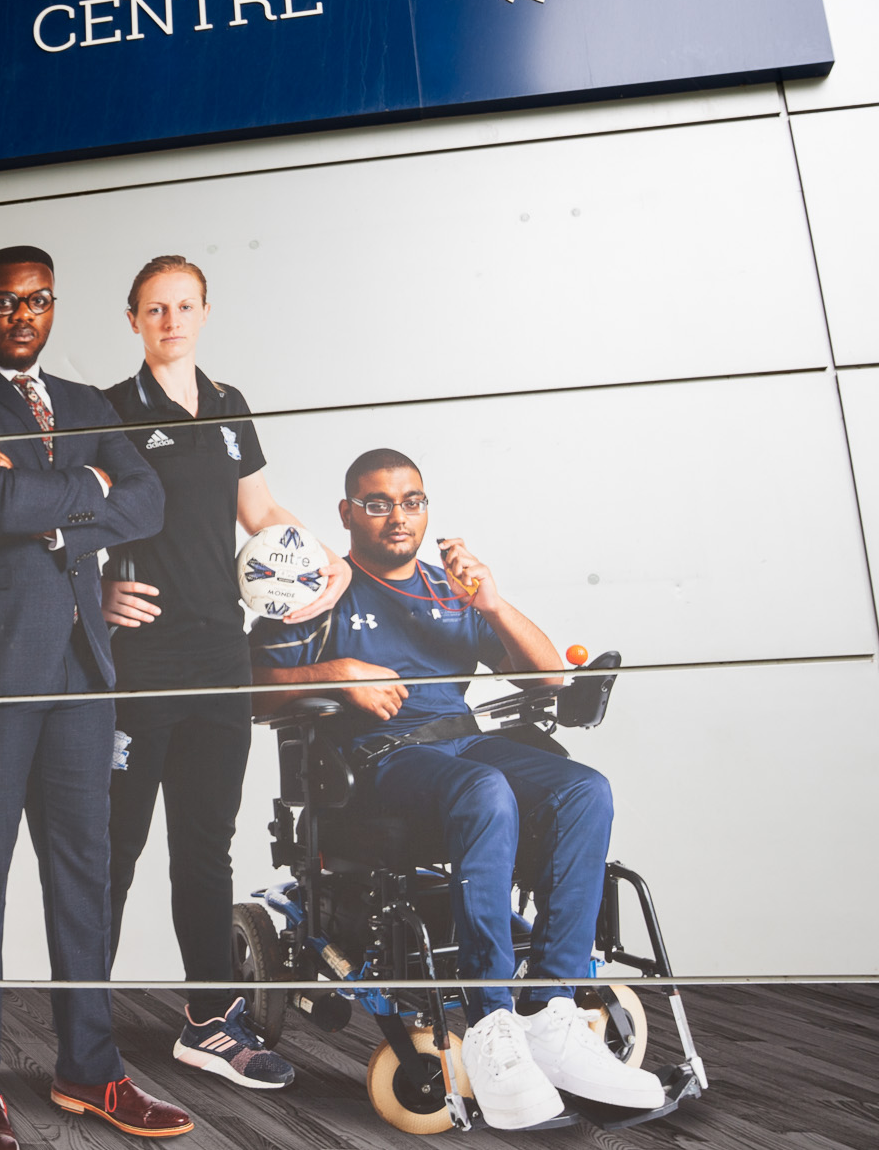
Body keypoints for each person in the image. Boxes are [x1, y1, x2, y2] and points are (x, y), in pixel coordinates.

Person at [251, 449, 665, 1129]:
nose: (396, 515)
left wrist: (494, 604)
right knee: (487, 791)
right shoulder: (321, 586)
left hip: (463, 740)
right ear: (347, 513)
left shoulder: (451, 589)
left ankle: (551, 1011)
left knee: (584, 788)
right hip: (378, 759)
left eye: (411, 500)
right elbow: (250, 689)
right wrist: (336, 672)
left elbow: (549, 680)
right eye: (378, 502)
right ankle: (491, 1021)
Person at [0, 246, 192, 1150]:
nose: (24, 315)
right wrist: (88, 489)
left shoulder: (86, 404)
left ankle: (91, 1066)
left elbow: (149, 500)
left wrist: (57, 493)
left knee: (86, 873)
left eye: (38, 301)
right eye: (5, 303)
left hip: (82, 668)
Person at [98, 256, 348, 1092]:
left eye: (184, 306)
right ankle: (81, 1017)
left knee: (204, 847)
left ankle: (208, 1021)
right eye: (154, 308)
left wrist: (320, 561)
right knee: (113, 846)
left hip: (219, 655)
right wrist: (92, 591)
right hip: (141, 660)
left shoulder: (231, 405)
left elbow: (260, 512)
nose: (170, 319)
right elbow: (67, 516)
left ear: (204, 312)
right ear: (133, 318)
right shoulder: (109, 411)